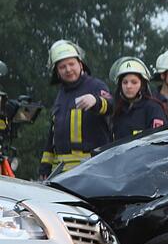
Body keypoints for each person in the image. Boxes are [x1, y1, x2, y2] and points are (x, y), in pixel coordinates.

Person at [39, 40, 113, 178]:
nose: (68, 69)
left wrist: (96, 101)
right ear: (57, 71)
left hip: (91, 169)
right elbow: (52, 135)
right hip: (60, 174)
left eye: (71, 64)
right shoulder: (60, 95)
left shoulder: (95, 86)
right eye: (62, 67)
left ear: (80, 64)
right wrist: (45, 167)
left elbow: (112, 105)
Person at [110, 57, 166, 141]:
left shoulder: (153, 109)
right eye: (125, 82)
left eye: (134, 82)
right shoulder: (118, 110)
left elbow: (158, 142)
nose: (128, 86)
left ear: (142, 84)